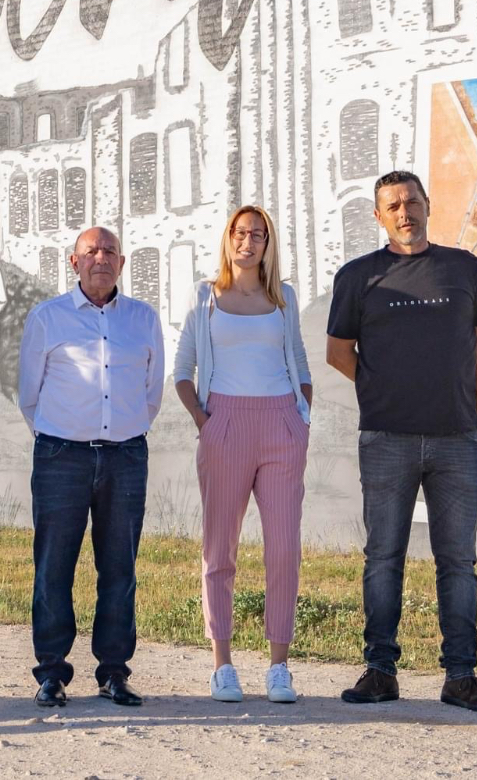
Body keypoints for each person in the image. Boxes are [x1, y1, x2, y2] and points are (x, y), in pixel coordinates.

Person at [326, 171, 477, 714]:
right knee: (383, 558)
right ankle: (380, 671)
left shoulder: (465, 268)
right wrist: (384, 389)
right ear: (378, 216)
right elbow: (338, 351)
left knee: (458, 561)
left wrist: (447, 382)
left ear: (427, 205)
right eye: (393, 206)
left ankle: (461, 677)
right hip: (386, 437)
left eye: (412, 202)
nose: (404, 213)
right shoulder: (359, 276)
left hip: (457, 436)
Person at [18, 226, 165, 709]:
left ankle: (114, 672)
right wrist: (63, 432)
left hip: (126, 456)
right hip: (61, 456)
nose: (100, 258)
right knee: (53, 567)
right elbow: (29, 393)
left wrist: (124, 428)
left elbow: (152, 392)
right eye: (91, 251)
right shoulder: (47, 318)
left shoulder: (143, 319)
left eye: (109, 251)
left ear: (121, 263)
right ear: (74, 262)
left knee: (120, 568)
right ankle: (51, 673)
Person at [173, 206, 312, 704]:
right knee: (220, 550)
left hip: (281, 426)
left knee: (283, 550)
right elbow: (183, 368)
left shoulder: (283, 298)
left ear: (268, 243)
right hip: (225, 424)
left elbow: (298, 360)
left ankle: (279, 667)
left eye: (257, 234)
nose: (247, 241)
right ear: (228, 238)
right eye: (239, 232)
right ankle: (223, 665)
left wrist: (301, 415)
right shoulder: (204, 296)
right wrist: (204, 421)